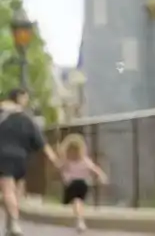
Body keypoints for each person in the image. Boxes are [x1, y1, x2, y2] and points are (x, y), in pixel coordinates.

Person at [0, 88, 59, 235]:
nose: (26, 101)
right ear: (18, 98)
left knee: (7, 191)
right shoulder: (27, 118)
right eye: (25, 98)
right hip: (21, 157)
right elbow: (41, 142)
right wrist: (53, 158)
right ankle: (11, 223)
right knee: (16, 191)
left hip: (3, 156)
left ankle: (13, 223)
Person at [58, 134, 108, 233]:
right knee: (75, 202)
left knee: (77, 201)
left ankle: (80, 220)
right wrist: (101, 176)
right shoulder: (73, 161)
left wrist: (101, 176)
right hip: (78, 184)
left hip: (76, 184)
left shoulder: (82, 161)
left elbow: (94, 169)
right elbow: (94, 169)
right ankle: (78, 218)